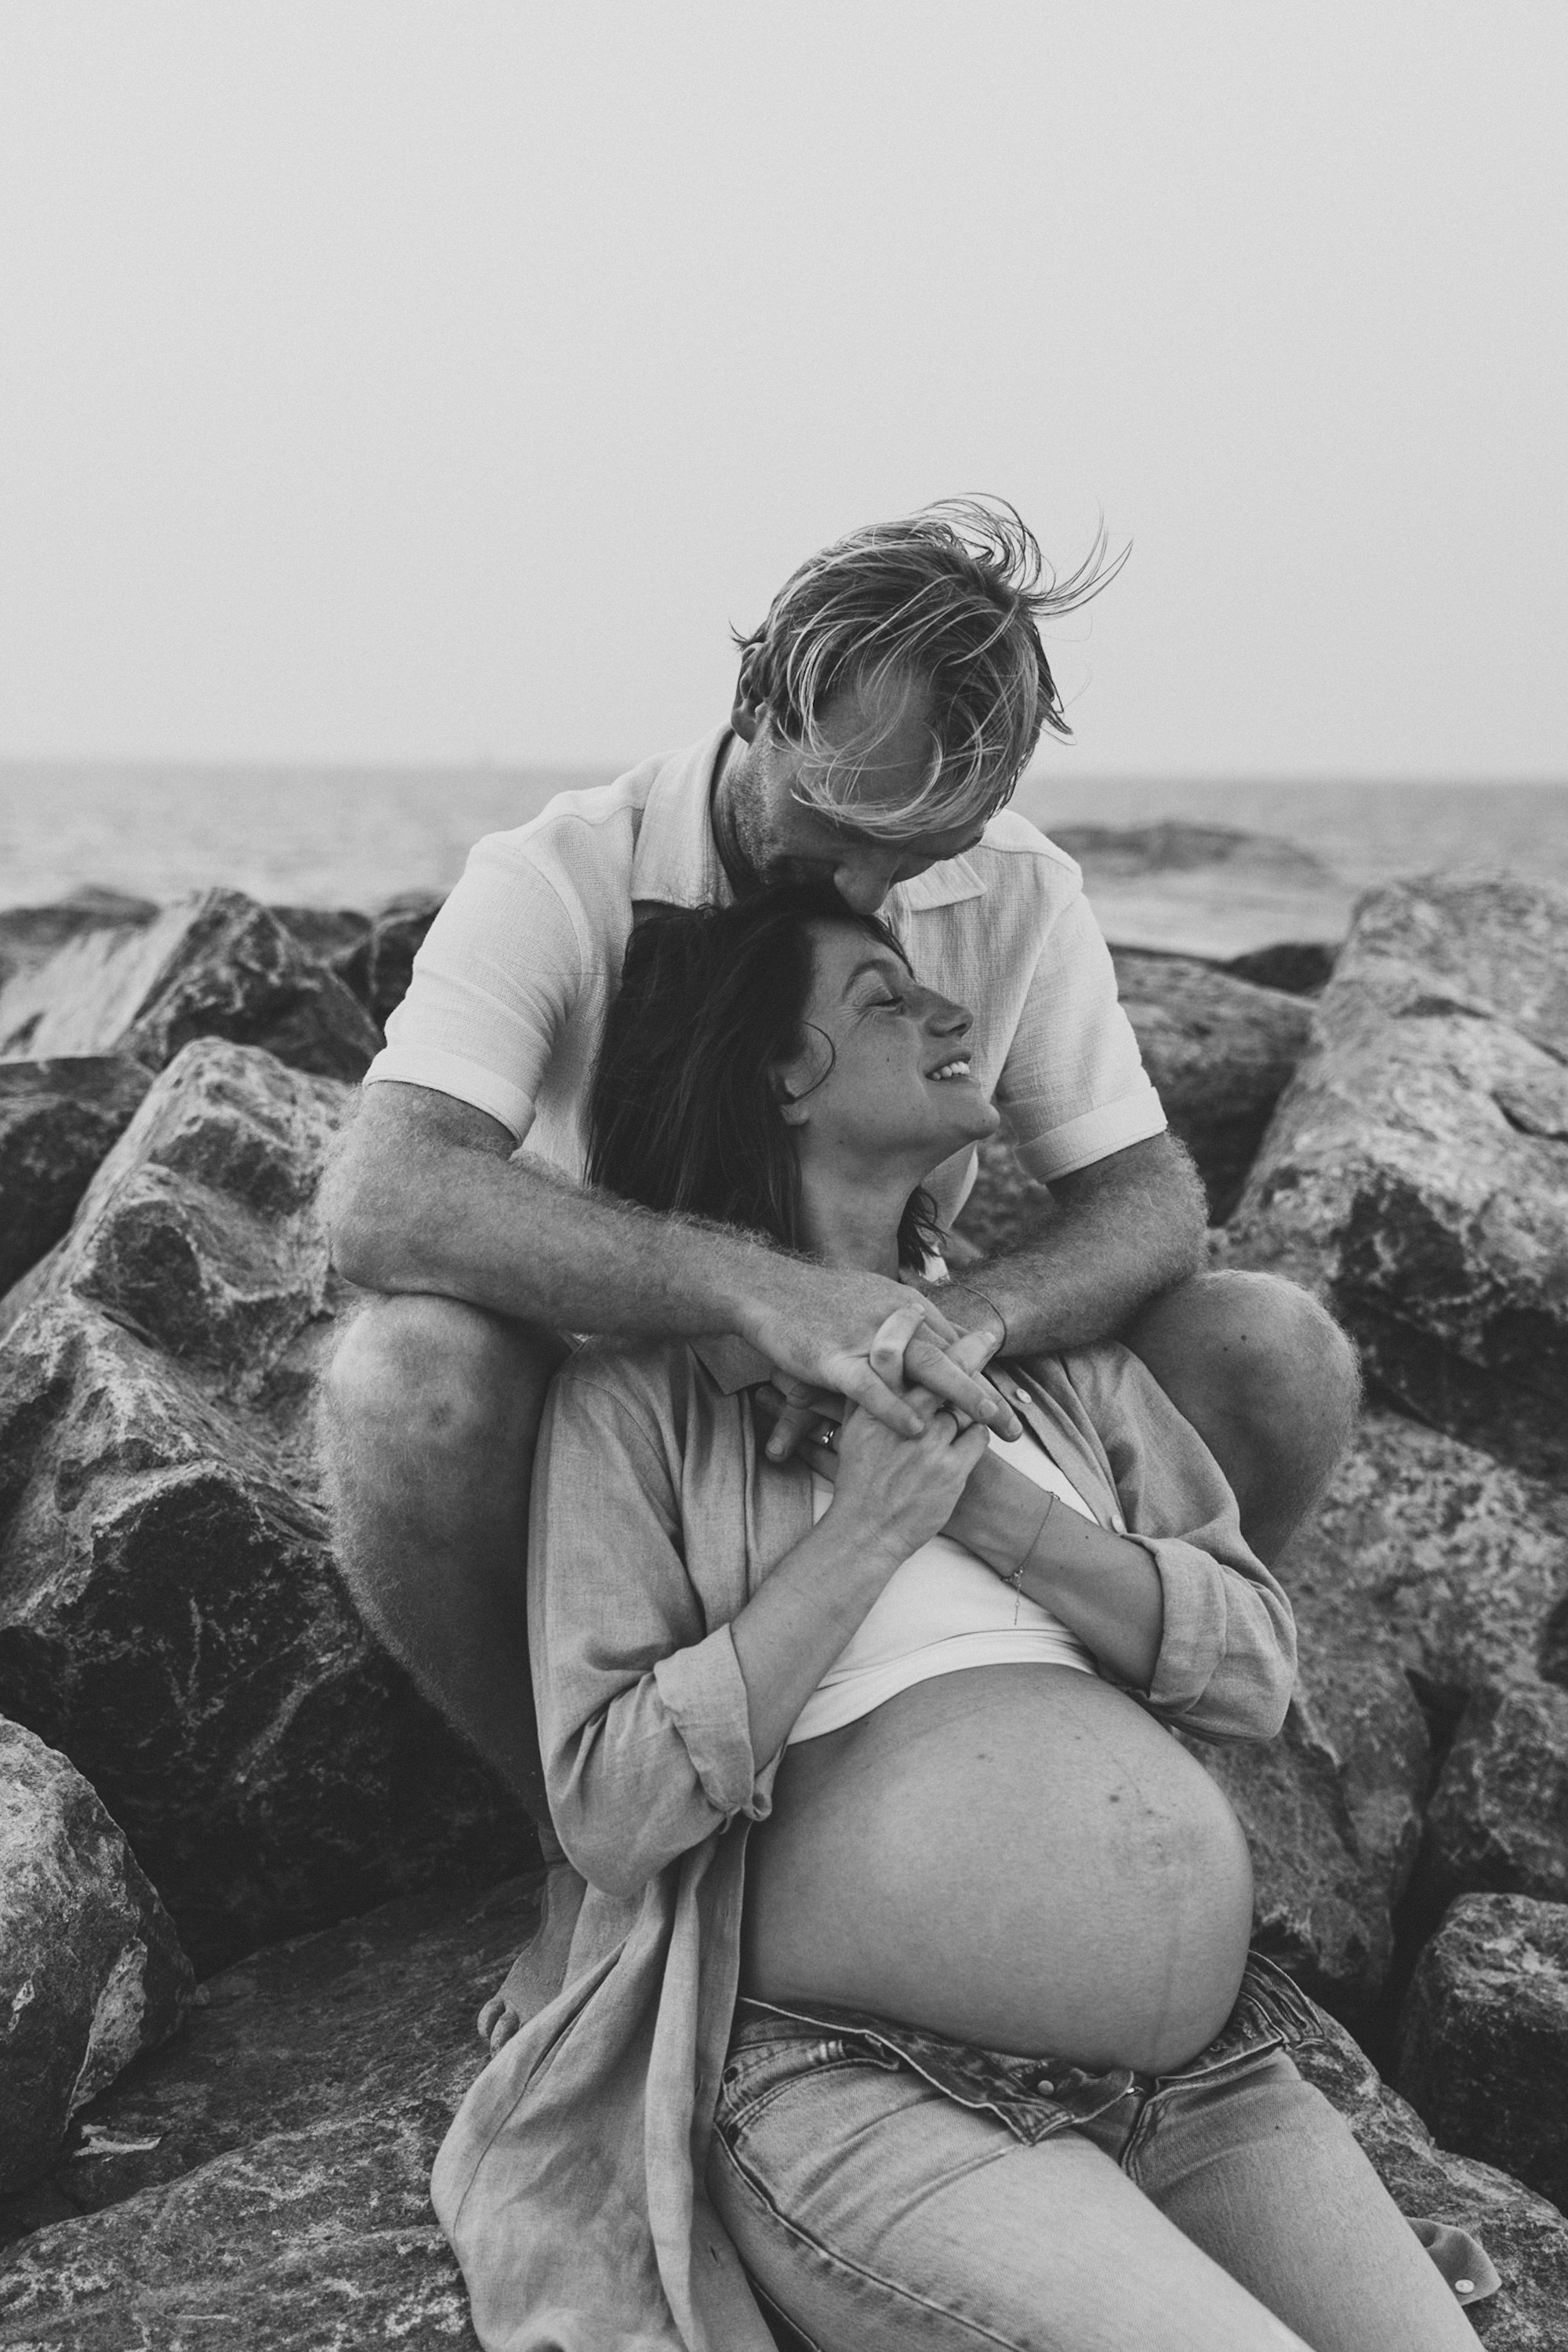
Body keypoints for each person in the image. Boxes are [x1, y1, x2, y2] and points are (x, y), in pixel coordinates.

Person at [432, 887, 1482, 2352]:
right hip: (878, 2090)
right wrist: (861, 1531)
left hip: (1217, 2084)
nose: (947, 1012)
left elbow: (1253, 1668)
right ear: (778, 1078)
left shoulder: (1065, 1376)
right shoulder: (642, 1408)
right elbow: (609, 1807)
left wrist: (988, 1506)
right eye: (879, 997)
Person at [322, 499, 1358, 1830]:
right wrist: (764, 1296)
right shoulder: (560, 875)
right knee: (405, 1378)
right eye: (839, 826)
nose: (871, 892)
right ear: (763, 700)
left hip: (907, 1366)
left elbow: (1152, 1205)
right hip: (627, 1429)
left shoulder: (1018, 892)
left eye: (922, 852)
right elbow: (385, 1194)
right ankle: (578, 1837)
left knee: (1281, 1350)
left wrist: (956, 1327)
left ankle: (1105, 1752)